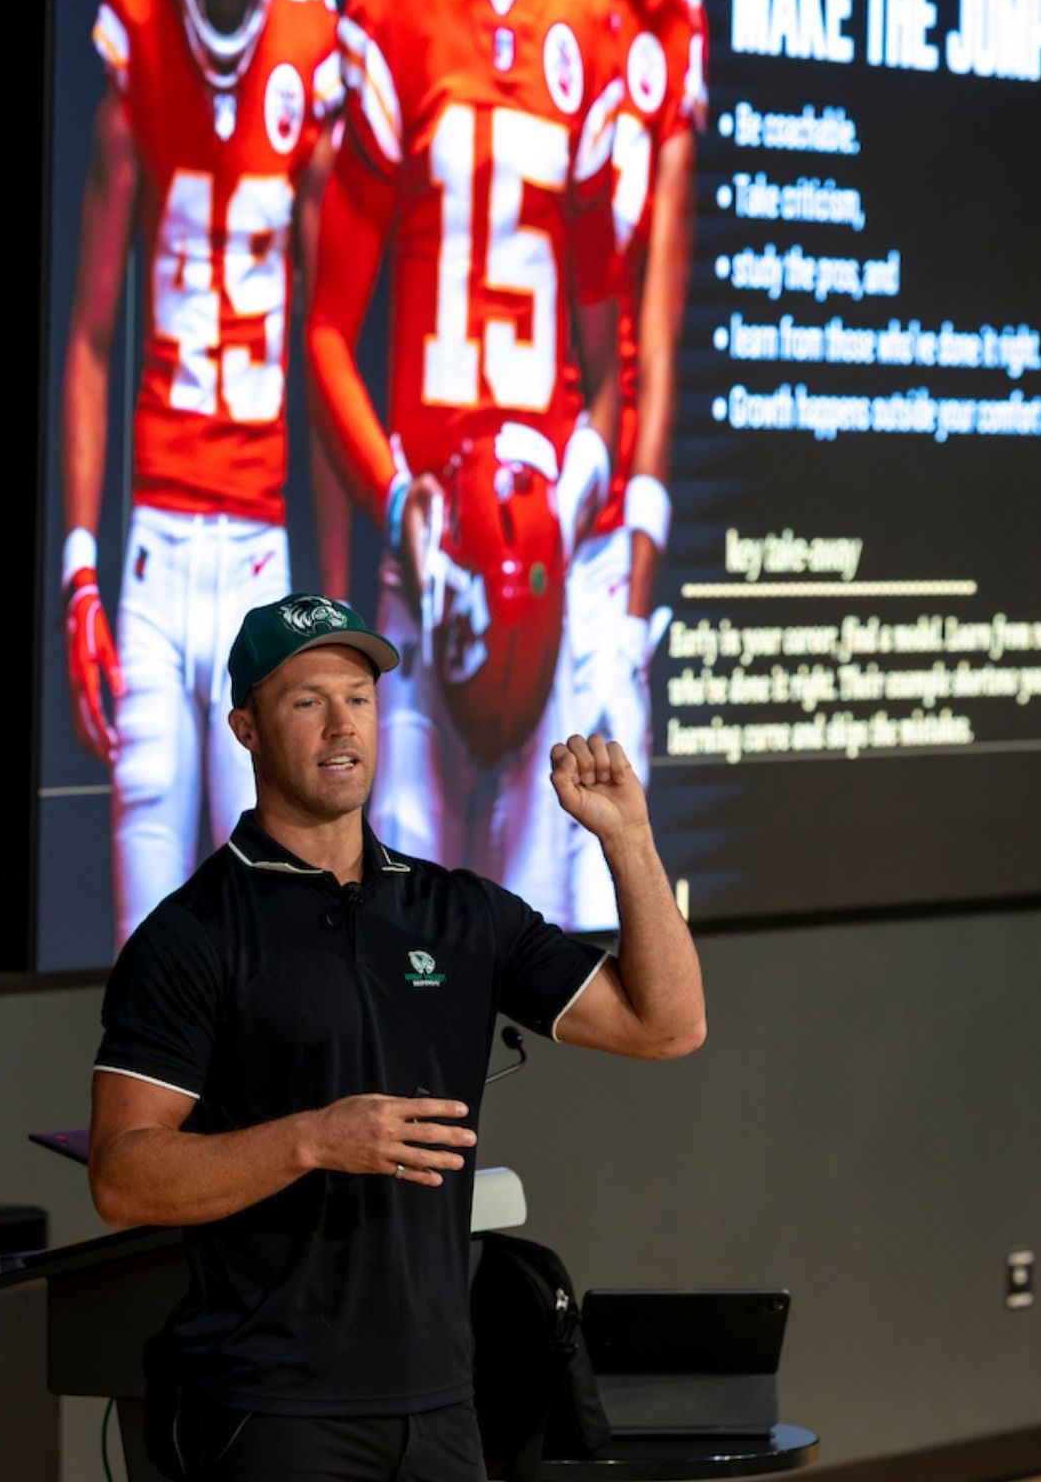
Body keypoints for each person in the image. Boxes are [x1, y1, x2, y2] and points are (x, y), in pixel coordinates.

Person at [89, 594, 705, 1478]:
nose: (343, 723)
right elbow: (121, 1175)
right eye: (308, 701)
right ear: (247, 728)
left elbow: (668, 1025)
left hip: (440, 1403)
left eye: (361, 697)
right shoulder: (192, 936)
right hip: (269, 1406)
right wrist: (314, 1140)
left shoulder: (459, 911)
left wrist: (632, 846)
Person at [307, 0, 641, 922]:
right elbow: (329, 330)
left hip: (542, 576)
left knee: (535, 962)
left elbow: (612, 372)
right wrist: (406, 514)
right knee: (384, 940)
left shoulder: (590, 17)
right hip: (424, 556)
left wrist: (560, 510)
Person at [67, 0, 348, 943]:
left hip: (257, 561)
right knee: (149, 962)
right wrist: (77, 558)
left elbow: (331, 336)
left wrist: (338, 604)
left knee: (274, 956)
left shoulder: (313, 42)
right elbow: (86, 332)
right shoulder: (136, 28)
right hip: (154, 547)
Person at [551, 0, 704, 785]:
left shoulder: (675, 15)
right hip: (499, 480)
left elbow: (659, 310)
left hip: (603, 518)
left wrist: (640, 543)